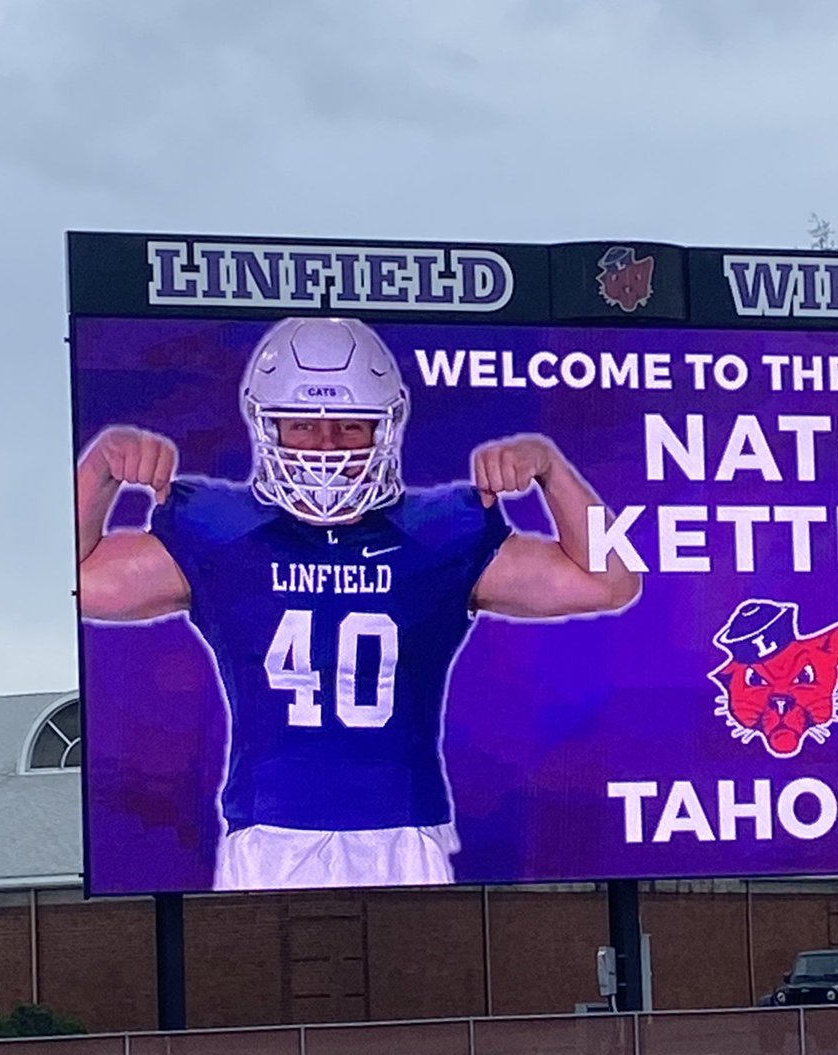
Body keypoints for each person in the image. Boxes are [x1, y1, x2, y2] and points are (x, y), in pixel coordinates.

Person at [76, 316, 641, 890]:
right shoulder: (220, 533)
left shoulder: (437, 532)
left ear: (387, 428)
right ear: (264, 425)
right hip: (270, 833)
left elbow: (612, 578)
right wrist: (99, 468)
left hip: (402, 830)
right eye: (302, 425)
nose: (326, 446)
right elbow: (74, 580)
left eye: (351, 426)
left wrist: (553, 469)